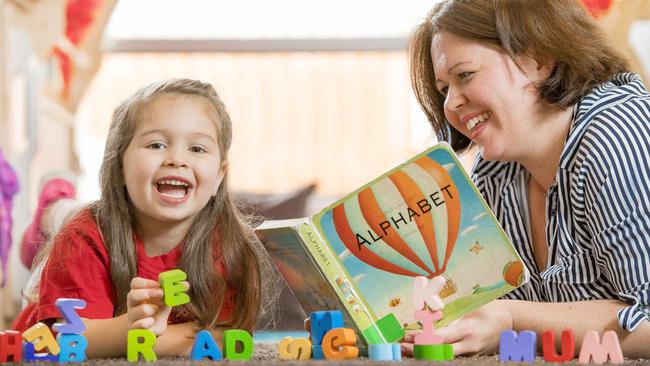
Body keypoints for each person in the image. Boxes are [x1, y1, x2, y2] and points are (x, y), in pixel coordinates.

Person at [405, 0, 650, 358]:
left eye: (465, 75)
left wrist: (511, 319)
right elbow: (489, 313)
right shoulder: (497, 169)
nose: (451, 104)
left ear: (537, 59)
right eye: (444, 89)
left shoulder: (618, 132)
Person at [11, 78, 279, 358]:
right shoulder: (84, 236)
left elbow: (228, 336)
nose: (177, 159)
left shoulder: (231, 248)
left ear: (219, 177)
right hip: (43, 335)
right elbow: (71, 342)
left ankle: (55, 206)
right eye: (156, 145)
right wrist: (133, 329)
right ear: (120, 164)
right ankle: (52, 206)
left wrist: (145, 336)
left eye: (197, 149)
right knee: (64, 222)